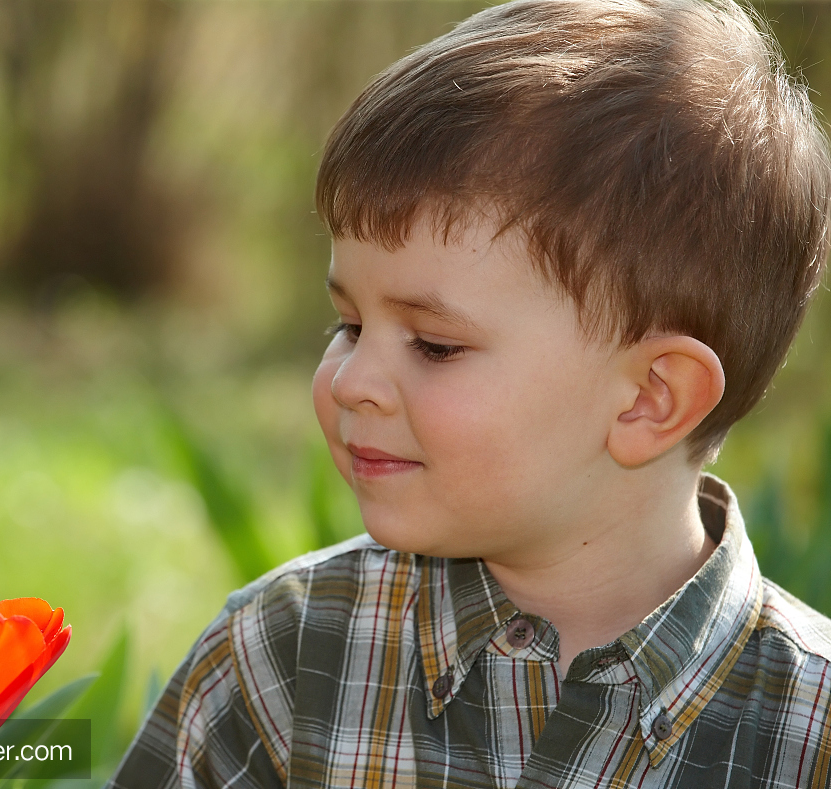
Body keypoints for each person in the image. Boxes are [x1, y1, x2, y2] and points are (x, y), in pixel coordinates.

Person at [110, 0, 831, 785]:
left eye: (434, 345)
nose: (350, 383)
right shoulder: (281, 659)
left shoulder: (809, 731)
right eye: (347, 324)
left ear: (650, 398)